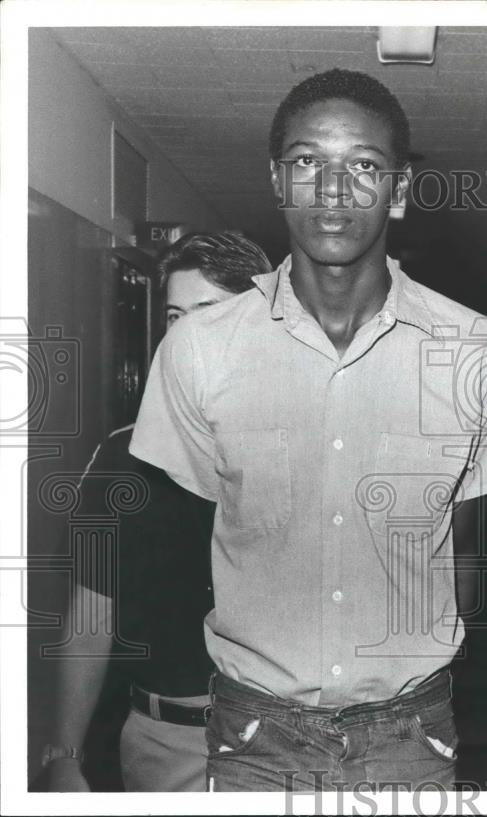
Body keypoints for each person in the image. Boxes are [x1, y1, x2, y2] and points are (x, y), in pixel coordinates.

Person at [128, 69, 487, 792]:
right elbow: (189, 538)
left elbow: (463, 553)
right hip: (254, 735)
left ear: (400, 191)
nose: (334, 191)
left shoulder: (477, 348)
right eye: (308, 162)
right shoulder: (197, 349)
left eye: (365, 166)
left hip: (412, 737)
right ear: (278, 180)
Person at [45, 232, 272, 792]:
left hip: (284, 741)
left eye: (208, 312)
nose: (187, 333)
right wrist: (63, 754)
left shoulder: (311, 447)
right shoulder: (123, 457)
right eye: (175, 315)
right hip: (164, 745)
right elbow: (91, 614)